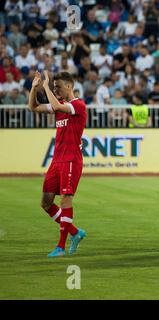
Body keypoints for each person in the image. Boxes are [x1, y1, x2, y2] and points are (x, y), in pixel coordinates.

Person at [27, 70, 87, 257]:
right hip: (56, 161)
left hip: (71, 160)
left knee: (66, 199)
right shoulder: (59, 106)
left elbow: (56, 105)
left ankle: (60, 246)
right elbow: (33, 107)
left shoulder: (78, 105)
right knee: (46, 203)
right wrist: (34, 88)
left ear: (69, 86)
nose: (55, 89)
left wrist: (46, 86)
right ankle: (75, 233)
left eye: (58, 87)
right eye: (54, 87)